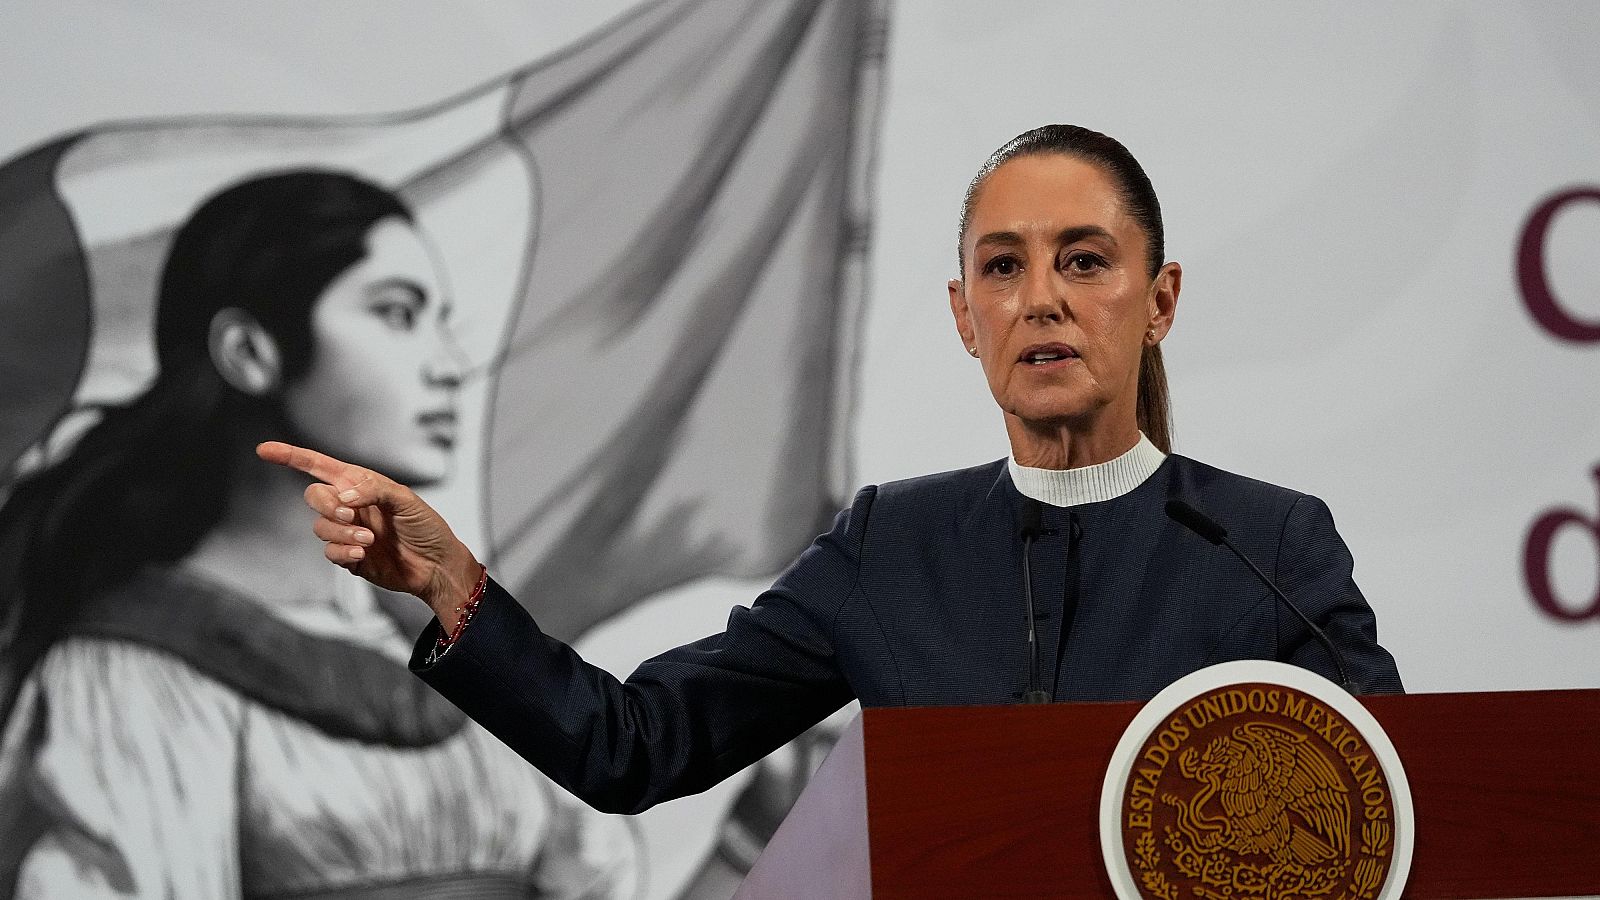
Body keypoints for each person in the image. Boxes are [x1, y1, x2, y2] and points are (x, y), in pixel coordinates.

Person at [261, 125, 1403, 818]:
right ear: (965, 316)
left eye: (1085, 260)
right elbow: (634, 746)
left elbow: (1399, 813)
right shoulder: (890, 550)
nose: (1041, 298)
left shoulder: (1268, 546)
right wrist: (452, 588)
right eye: (1002, 267)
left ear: (1159, 302)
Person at [0, 171, 637, 898]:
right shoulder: (131, 677)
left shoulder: (463, 654)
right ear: (250, 352)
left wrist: (742, 846)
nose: (449, 367)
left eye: (439, 322)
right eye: (397, 314)